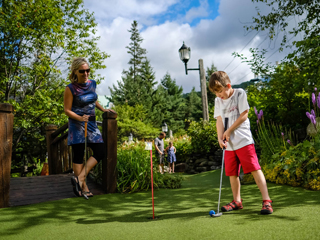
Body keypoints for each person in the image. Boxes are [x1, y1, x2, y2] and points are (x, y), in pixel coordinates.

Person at [209, 71, 273, 215]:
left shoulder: (239, 94)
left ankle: (266, 200)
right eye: (215, 92)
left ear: (228, 86)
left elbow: (244, 115)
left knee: (255, 168)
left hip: (243, 140)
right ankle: (237, 201)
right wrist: (220, 137)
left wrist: (230, 130)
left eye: (220, 91)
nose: (218, 95)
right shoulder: (218, 101)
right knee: (232, 173)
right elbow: (219, 120)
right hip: (229, 144)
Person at [64, 57, 115, 197]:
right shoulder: (70, 88)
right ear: (75, 71)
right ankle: (84, 187)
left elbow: (93, 99)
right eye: (82, 71)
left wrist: (103, 109)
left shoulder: (92, 83)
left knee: (100, 151)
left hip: (91, 124)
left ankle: (79, 178)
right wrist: (80, 117)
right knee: (78, 155)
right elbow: (67, 110)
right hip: (77, 124)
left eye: (88, 70)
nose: (86, 73)